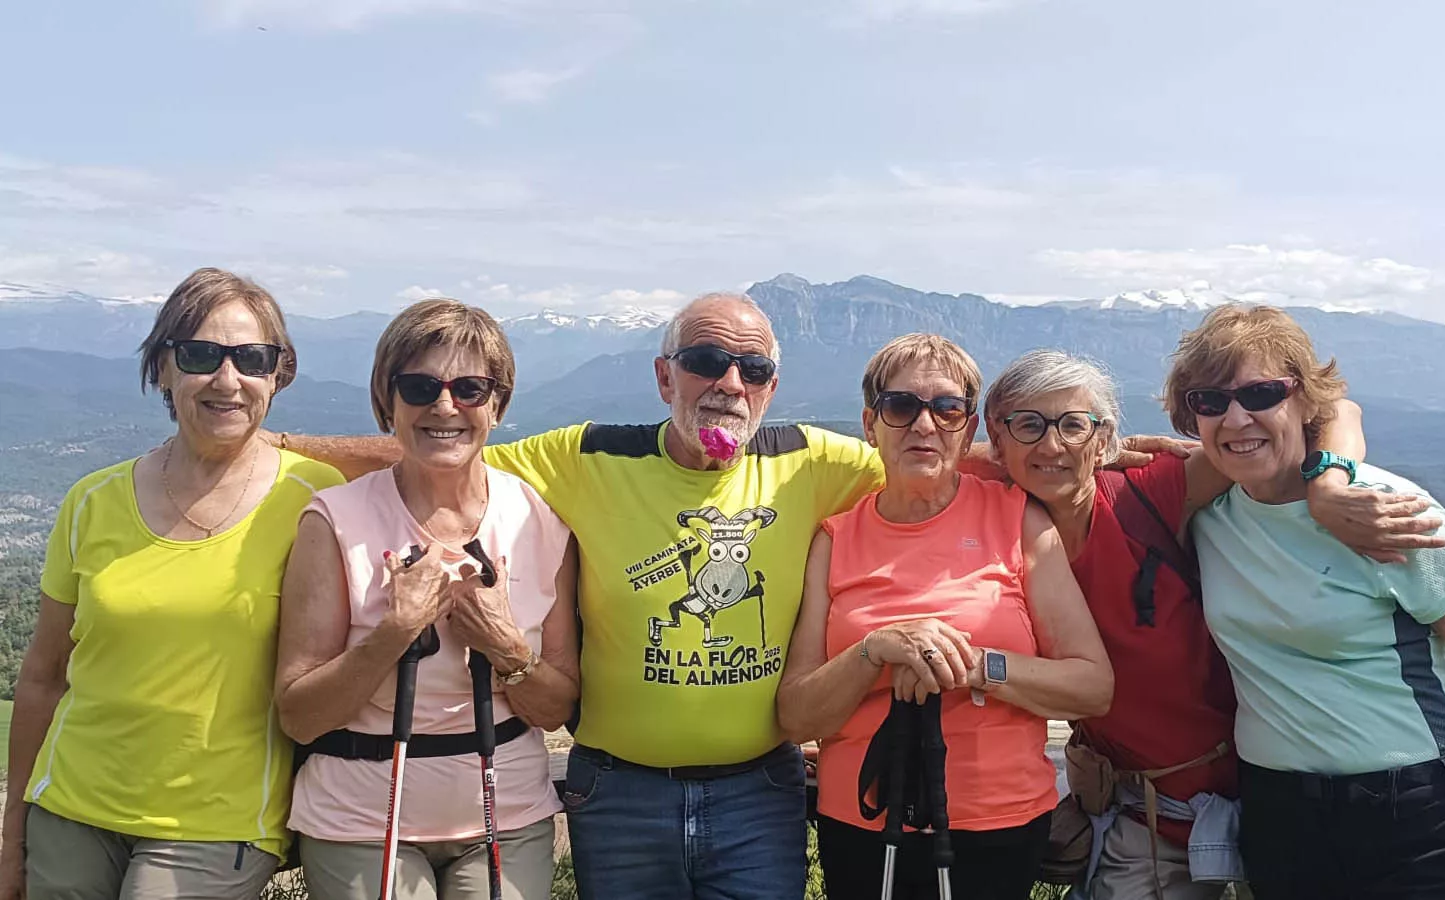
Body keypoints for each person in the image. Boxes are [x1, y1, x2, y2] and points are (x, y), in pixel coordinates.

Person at [274, 292, 1179, 899]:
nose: (728, 383)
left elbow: (931, 463)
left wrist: (1068, 449)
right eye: (705, 361)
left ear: (774, 386)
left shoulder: (814, 463)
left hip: (760, 792)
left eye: (750, 370)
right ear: (665, 376)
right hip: (618, 791)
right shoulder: (585, 454)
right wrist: (260, 452)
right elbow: (441, 443)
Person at [981, 348, 1445, 899]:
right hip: (1146, 821)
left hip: (1271, 800)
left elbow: (1332, 410)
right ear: (997, 434)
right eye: (1029, 425)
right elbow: (917, 451)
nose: (1052, 444)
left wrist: (1328, 486)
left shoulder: (1150, 493)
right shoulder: (994, 520)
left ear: (1103, 436)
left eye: (1074, 425)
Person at [0, 268, 344, 900]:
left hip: (218, 820)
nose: (227, 378)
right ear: (162, 368)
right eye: (200, 355)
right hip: (70, 806)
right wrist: (14, 824)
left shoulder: (316, 502)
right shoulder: (91, 502)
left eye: (252, 358)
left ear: (278, 374)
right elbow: (44, 674)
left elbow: (436, 454)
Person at [1165, 304, 1445, 899]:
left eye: (1260, 393)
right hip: (1281, 815)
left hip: (1423, 809)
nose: (1235, 417)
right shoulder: (1207, 515)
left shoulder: (1387, 513)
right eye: (1209, 401)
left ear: (1306, 402)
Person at [776, 334, 1114, 900]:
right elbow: (797, 716)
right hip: (862, 821)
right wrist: (875, 650)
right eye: (901, 407)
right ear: (870, 423)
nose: (924, 426)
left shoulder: (1019, 522)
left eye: (947, 409)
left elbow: (1092, 685)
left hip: (998, 824)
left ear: (969, 427)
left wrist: (975, 665)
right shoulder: (835, 539)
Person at [274, 299, 579, 900]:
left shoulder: (540, 523)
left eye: (469, 387)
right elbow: (299, 714)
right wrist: (395, 633)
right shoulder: (334, 521)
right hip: (361, 819)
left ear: (497, 404)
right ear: (387, 403)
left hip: (506, 814)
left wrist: (507, 647)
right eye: (419, 387)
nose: (445, 406)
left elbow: (558, 706)